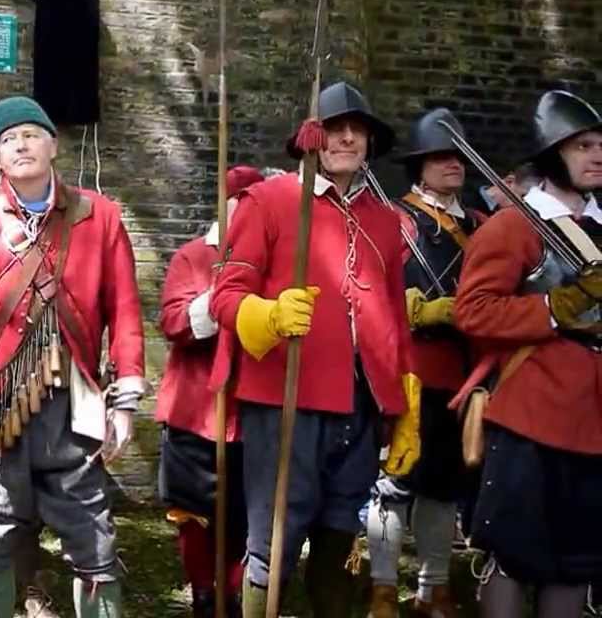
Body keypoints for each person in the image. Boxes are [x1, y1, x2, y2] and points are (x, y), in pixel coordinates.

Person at [0, 96, 146, 618]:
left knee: (93, 538)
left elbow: (125, 310)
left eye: (31, 134)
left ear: (53, 144)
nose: (21, 145)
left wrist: (126, 401)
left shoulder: (100, 216)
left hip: (75, 404)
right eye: (8, 139)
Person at [209, 82, 419, 617]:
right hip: (284, 402)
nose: (347, 138)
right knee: (274, 541)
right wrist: (269, 315)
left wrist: (405, 399)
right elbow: (226, 296)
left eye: (358, 129)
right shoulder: (269, 201)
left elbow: (394, 314)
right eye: (334, 127)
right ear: (311, 137)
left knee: (341, 533)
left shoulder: (385, 219)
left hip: (360, 403)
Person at [454, 89, 602, 617]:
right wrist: (554, 309)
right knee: (515, 557)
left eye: (601, 144)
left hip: (594, 421)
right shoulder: (514, 226)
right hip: (532, 414)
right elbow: (472, 311)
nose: (597, 155)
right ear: (550, 154)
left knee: (577, 564)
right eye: (582, 145)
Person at [366, 108, 484, 618]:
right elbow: (373, 289)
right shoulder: (396, 219)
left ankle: (433, 587)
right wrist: (420, 307)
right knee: (395, 483)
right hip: (410, 368)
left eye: (458, 156)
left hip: (463, 373)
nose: (452, 164)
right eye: (440, 156)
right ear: (420, 166)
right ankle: (383, 587)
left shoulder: (480, 224)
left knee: (444, 485)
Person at [156, 165, 264, 618]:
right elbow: (174, 322)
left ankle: (234, 597)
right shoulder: (193, 256)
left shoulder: (271, 259)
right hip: (196, 409)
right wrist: (224, 295)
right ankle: (203, 593)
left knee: (244, 515)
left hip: (254, 410)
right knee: (195, 514)